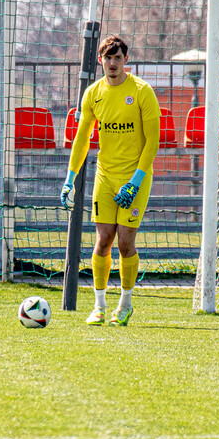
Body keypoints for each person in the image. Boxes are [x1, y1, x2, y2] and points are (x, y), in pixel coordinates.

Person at [60, 35, 161, 326]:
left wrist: (135, 181)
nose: (113, 63)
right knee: (103, 239)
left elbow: (153, 141)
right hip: (105, 176)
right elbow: (82, 138)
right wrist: (70, 178)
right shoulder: (93, 93)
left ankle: (125, 304)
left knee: (125, 243)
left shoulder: (142, 91)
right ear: (100, 60)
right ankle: (99, 306)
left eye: (118, 58)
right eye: (108, 57)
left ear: (126, 60)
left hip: (135, 177)